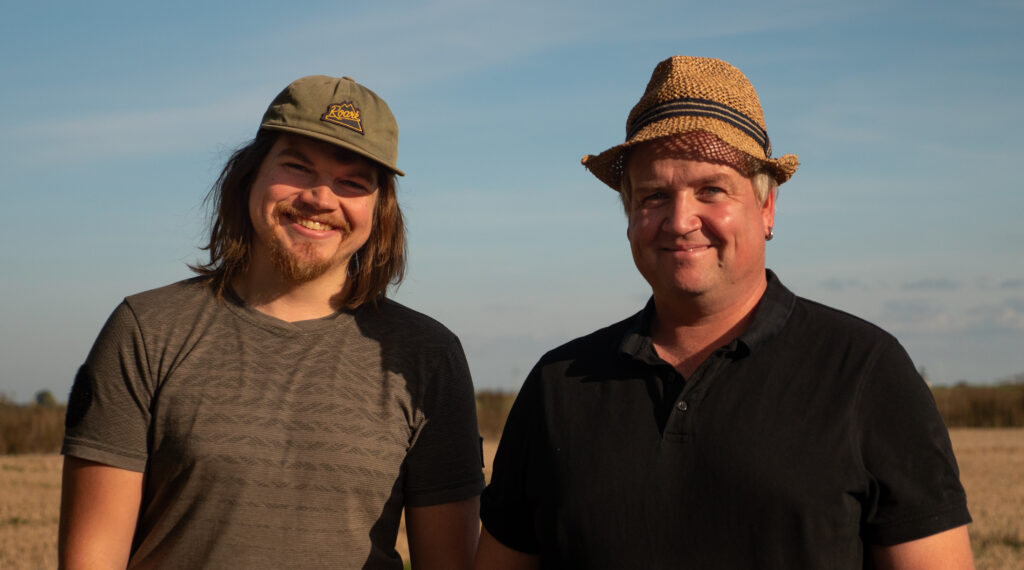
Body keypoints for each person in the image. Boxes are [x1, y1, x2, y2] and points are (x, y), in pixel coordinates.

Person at [476, 56, 974, 569]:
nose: (680, 220)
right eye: (654, 195)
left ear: (767, 208)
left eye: (711, 190)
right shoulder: (558, 388)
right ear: (628, 216)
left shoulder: (864, 371)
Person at [59, 75, 485, 569]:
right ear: (249, 177)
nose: (321, 198)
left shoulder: (427, 354)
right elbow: (92, 557)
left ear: (379, 209)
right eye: (297, 167)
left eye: (352, 182)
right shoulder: (145, 330)